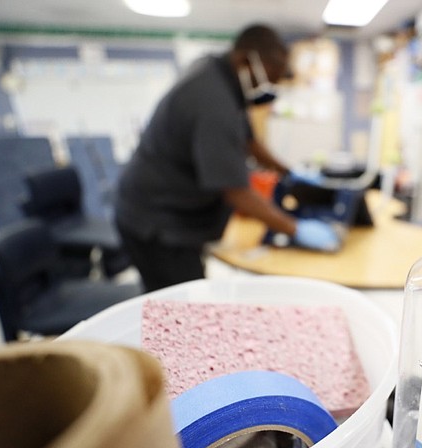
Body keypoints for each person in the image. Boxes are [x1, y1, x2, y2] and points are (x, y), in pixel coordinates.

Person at [115, 24, 338, 293]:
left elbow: (249, 142)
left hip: (168, 212)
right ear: (246, 60)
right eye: (269, 78)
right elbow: (236, 191)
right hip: (156, 223)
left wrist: (288, 172)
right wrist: (296, 228)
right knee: (179, 308)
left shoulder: (222, 76)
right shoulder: (214, 103)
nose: (270, 88)